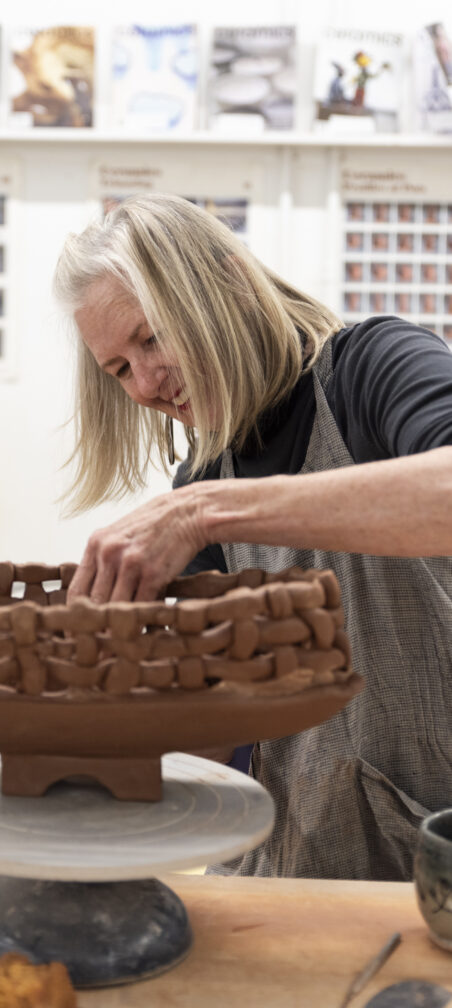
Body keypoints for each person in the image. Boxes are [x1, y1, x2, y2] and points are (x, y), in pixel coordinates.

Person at [52, 192, 452, 882]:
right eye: (119, 369)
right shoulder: (206, 477)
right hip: (293, 867)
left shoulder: (374, 369)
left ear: (230, 281)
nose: (146, 381)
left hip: (427, 868)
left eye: (152, 337)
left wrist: (207, 511)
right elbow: (225, 725)